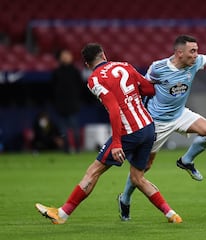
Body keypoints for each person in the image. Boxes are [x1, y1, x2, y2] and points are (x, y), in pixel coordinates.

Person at [35, 43, 182, 224]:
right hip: (148, 127)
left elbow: (114, 109)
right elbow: (149, 89)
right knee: (137, 178)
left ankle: (62, 214)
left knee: (93, 171)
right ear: (104, 55)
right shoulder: (125, 66)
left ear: (87, 65)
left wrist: (117, 143)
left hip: (128, 132)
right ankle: (172, 215)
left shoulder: (94, 79)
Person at [118, 34, 206, 220]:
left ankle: (186, 161)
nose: (196, 54)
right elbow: (142, 88)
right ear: (179, 52)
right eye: (192, 51)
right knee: (144, 167)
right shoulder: (158, 68)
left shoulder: (194, 63)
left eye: (196, 50)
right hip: (157, 121)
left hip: (180, 114)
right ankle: (125, 198)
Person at [51, 49, 83, 153]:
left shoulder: (75, 71)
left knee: (75, 130)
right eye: (63, 56)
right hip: (61, 106)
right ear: (60, 58)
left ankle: (78, 149)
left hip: (73, 106)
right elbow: (52, 89)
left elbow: (81, 87)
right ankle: (66, 149)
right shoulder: (56, 72)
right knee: (63, 131)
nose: (65, 57)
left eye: (67, 55)